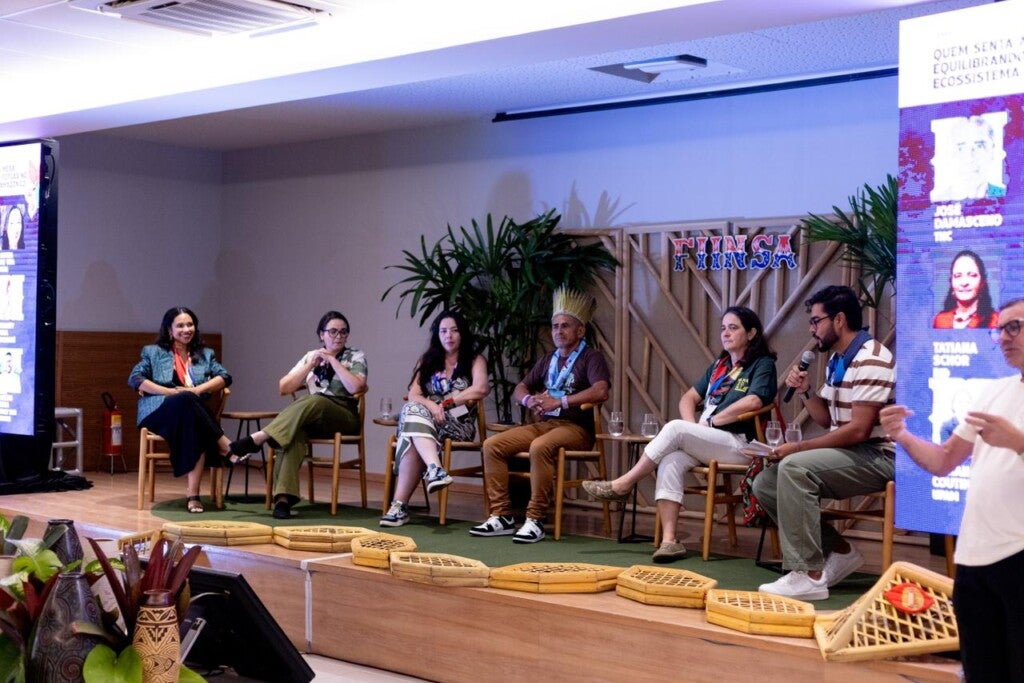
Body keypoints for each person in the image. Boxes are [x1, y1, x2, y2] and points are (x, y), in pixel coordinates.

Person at [880, 298, 1024, 682]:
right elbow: (943, 460)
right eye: (1000, 329)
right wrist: (902, 435)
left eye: (1015, 327)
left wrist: (1018, 443)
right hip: (974, 556)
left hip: (1019, 554)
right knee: (980, 672)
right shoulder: (994, 392)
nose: (1004, 337)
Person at [582, 306, 778, 563]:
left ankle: (624, 484)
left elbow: (754, 401)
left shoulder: (762, 364)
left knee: (675, 429)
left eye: (733, 328)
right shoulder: (719, 367)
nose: (726, 333)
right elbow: (688, 398)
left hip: (740, 444)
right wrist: (693, 428)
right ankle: (670, 541)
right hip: (711, 440)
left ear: (751, 333)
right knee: (670, 458)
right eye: (723, 328)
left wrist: (713, 421)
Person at [754, 285, 895, 600]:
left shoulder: (872, 358)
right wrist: (805, 391)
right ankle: (841, 551)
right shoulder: (837, 359)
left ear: (839, 320)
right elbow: (825, 419)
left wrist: (797, 448)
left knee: (794, 468)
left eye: (816, 321)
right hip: (851, 451)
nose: (811, 329)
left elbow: (859, 431)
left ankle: (808, 575)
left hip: (879, 455)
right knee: (765, 483)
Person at [469, 288, 610, 544]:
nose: (558, 331)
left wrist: (561, 401)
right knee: (492, 445)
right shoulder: (548, 359)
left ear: (580, 331)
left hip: (576, 428)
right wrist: (529, 400)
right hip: (545, 424)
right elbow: (520, 387)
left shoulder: (591, 357)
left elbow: (601, 391)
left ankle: (535, 519)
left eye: (565, 326)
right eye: (555, 326)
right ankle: (501, 515)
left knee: (539, 446)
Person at [229, 311, 367, 519]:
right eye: (332, 331)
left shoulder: (355, 355)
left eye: (343, 332)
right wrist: (311, 364)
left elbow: (356, 386)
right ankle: (283, 500)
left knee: (315, 400)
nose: (338, 336)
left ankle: (261, 437)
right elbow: (284, 387)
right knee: (292, 434)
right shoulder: (311, 356)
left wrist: (333, 360)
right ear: (321, 334)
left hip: (343, 415)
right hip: (312, 417)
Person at [380, 310, 490, 527]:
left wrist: (447, 404)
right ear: (437, 335)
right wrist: (432, 406)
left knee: (412, 428)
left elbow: (481, 388)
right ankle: (435, 469)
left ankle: (399, 506)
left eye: (454, 330)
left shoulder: (475, 360)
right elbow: (414, 394)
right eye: (443, 331)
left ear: (462, 334)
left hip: (458, 423)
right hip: (427, 421)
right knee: (413, 413)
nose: (449, 335)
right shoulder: (428, 360)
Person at [128, 306, 233, 513]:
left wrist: (196, 390)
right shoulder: (153, 352)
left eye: (190, 325)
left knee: (193, 421)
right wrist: (170, 392)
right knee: (184, 398)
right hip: (159, 412)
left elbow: (225, 377)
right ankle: (224, 444)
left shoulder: (206, 354)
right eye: (181, 326)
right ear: (170, 330)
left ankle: (193, 496)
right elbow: (135, 379)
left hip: (191, 417)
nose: (186, 329)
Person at [932, 249, 998, 329]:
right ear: (951, 282)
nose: (964, 283)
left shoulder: (995, 321)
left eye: (972, 275)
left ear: (982, 282)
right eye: (957, 276)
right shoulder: (940, 320)